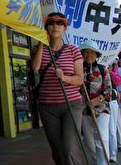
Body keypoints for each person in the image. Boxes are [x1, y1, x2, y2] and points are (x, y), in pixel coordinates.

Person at [30, 12, 85, 165]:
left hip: (71, 105)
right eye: (51, 23)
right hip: (47, 107)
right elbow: (35, 68)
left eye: (60, 23)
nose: (55, 26)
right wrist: (42, 40)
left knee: (69, 148)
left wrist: (65, 78)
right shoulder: (38, 49)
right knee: (58, 150)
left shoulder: (73, 50)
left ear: (65, 29)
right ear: (46, 27)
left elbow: (80, 79)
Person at [79, 40, 112, 165]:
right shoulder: (78, 69)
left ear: (96, 54)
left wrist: (97, 100)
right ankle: (96, 161)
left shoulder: (103, 69)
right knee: (89, 140)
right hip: (84, 109)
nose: (89, 55)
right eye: (86, 52)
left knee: (101, 138)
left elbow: (109, 90)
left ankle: (103, 163)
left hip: (102, 109)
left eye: (92, 52)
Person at [108, 57, 121, 159]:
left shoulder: (113, 68)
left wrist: (110, 72)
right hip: (99, 101)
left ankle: (112, 153)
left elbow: (118, 82)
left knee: (112, 128)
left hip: (111, 100)